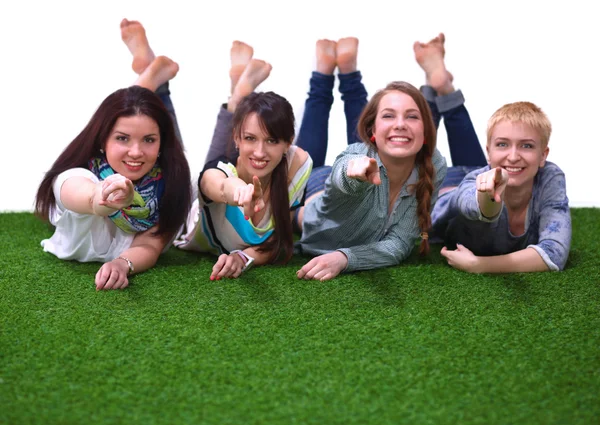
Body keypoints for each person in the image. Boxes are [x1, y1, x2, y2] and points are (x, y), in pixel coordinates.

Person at [35, 20, 192, 291]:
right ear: (102, 139)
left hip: (164, 165)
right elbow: (86, 195)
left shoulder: (171, 183)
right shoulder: (77, 176)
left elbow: (150, 244)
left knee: (148, 123)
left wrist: (122, 264)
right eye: (121, 139)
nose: (136, 152)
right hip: (95, 187)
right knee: (140, 117)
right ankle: (153, 79)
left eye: (149, 141)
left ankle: (154, 80)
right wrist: (105, 197)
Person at [294, 38, 448, 281]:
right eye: (389, 116)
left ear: (427, 132)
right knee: (301, 161)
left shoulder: (434, 165)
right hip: (315, 189)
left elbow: (398, 245)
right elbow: (343, 172)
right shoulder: (357, 155)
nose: (400, 124)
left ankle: (345, 70)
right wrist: (353, 171)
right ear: (372, 132)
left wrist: (345, 258)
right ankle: (324, 74)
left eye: (412, 117)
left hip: (367, 166)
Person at [415, 33, 571, 272]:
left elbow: (554, 254)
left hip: (488, 171)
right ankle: (440, 87)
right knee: (418, 157)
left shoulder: (550, 177)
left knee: (492, 162)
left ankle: (440, 84)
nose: (514, 155)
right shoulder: (476, 181)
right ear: (488, 152)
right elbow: (473, 205)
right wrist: (488, 193)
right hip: (443, 184)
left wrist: (480, 265)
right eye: (502, 145)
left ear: (543, 155)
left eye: (527, 145)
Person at [173, 40, 313, 280]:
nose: (260, 151)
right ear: (236, 138)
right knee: (171, 151)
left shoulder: (298, 164)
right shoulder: (217, 174)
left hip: (241, 167)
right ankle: (234, 95)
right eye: (250, 138)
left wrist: (243, 257)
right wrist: (239, 192)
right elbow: (217, 184)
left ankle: (237, 91)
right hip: (197, 213)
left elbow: (277, 241)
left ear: (288, 142)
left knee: (243, 147)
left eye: (272, 141)